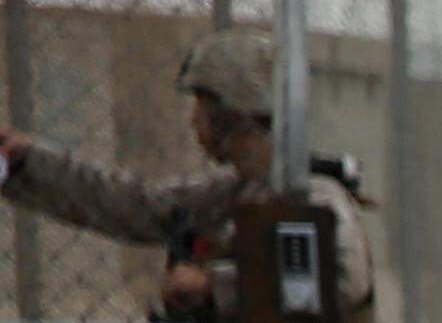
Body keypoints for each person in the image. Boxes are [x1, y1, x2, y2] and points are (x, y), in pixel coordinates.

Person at [0, 28, 376, 323]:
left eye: (203, 106)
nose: (193, 120)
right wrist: (26, 162)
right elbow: (137, 205)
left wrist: (213, 285)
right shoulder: (235, 192)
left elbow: (342, 280)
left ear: (234, 113)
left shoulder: (312, 193)